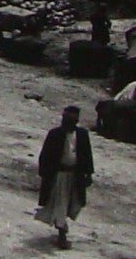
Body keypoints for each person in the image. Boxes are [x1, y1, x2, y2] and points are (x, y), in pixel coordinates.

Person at [35, 105, 95, 249]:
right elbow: (45, 155)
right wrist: (45, 174)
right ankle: (62, 234)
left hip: (75, 176)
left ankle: (61, 223)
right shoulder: (55, 134)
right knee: (60, 204)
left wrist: (89, 174)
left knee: (74, 204)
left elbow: (87, 155)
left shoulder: (82, 135)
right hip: (59, 176)